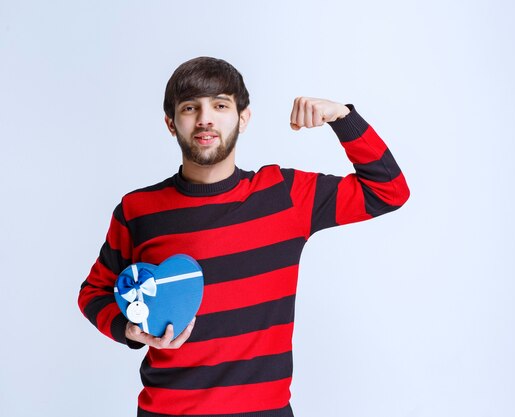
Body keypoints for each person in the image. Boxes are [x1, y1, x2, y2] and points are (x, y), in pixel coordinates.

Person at [78, 56, 410, 417]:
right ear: (171, 124)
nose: (205, 119)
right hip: (167, 411)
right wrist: (129, 329)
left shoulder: (285, 195)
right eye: (190, 108)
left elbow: (389, 191)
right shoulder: (138, 209)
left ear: (243, 118)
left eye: (220, 105)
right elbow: (94, 292)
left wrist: (344, 118)